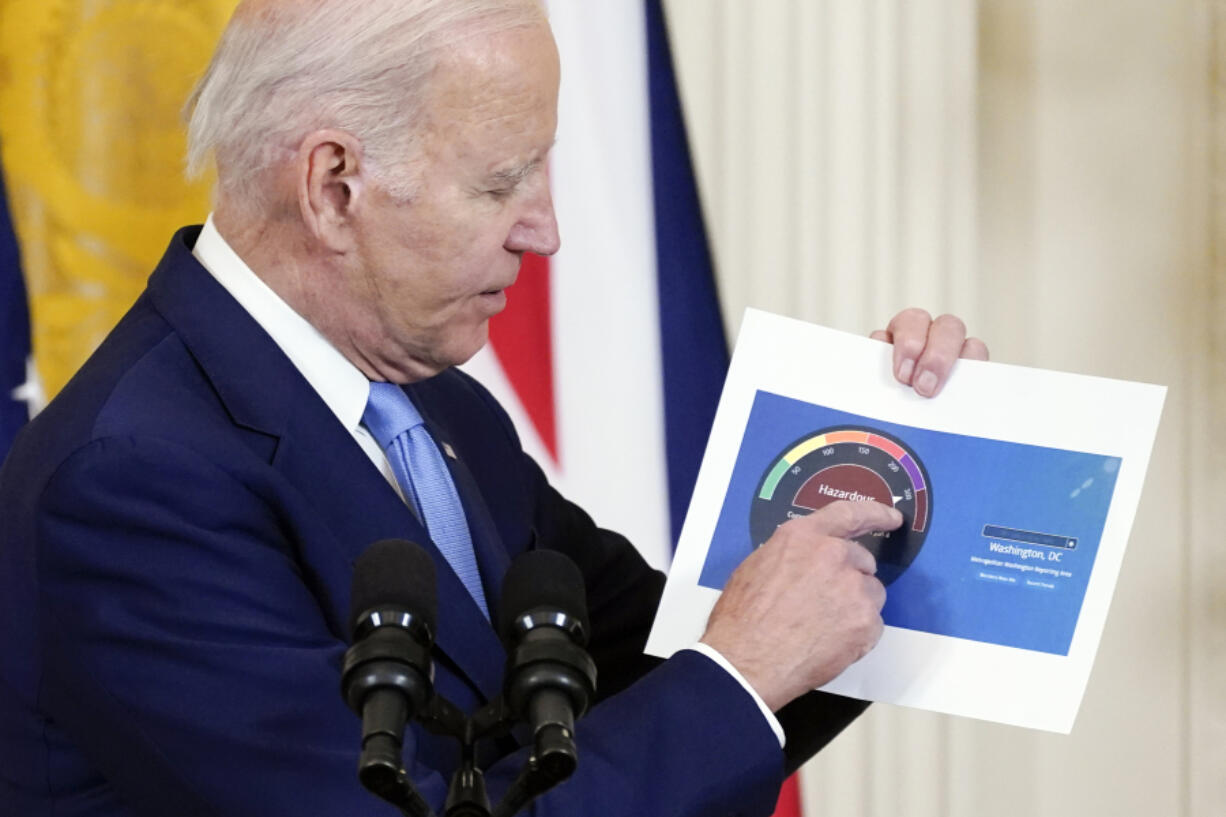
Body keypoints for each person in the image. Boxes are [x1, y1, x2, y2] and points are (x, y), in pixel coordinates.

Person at [0, 1, 989, 815]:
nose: (545, 230)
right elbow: (714, 679)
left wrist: (878, 457)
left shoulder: (441, 411)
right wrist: (738, 669)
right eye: (502, 179)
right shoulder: (127, 484)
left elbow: (664, 664)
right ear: (334, 185)